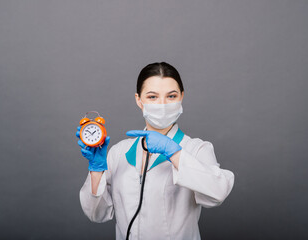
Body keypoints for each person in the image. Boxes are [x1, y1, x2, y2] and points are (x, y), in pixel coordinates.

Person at [76, 62, 235, 240]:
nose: (162, 104)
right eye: (152, 97)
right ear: (139, 100)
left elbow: (217, 193)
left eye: (171, 96)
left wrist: (174, 153)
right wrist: (96, 170)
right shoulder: (118, 153)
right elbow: (96, 214)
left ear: (182, 97)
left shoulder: (197, 149)